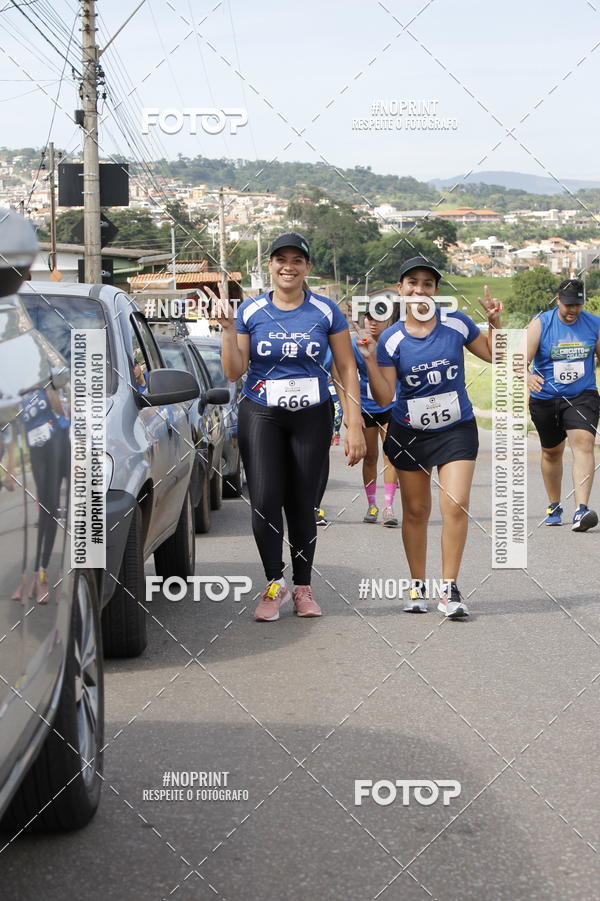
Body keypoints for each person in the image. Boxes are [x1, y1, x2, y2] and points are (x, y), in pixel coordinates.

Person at [218, 232, 366, 621]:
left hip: (312, 414)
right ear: (270, 265)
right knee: (266, 501)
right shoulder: (250, 312)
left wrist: (354, 424)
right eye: (280, 259)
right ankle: (273, 586)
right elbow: (235, 371)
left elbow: (346, 367)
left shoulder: (326, 310)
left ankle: (303, 587)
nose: (288, 266)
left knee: (302, 504)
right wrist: (227, 331)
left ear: (307, 268)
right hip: (262, 413)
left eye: (297, 260)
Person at [358, 255, 502, 618]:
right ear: (400, 289)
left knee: (455, 503)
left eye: (427, 284)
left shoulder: (456, 324)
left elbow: (495, 355)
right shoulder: (391, 339)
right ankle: (417, 586)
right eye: (412, 283)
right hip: (409, 432)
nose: (419, 290)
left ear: (436, 290)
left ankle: (449, 589)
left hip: (456, 428)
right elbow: (385, 398)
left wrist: (494, 323)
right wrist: (371, 360)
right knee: (417, 510)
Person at [527, 277, 600, 531]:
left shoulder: (594, 324)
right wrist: (528, 376)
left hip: (582, 395)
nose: (572, 311)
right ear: (558, 301)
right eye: (568, 305)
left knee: (584, 442)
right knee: (551, 452)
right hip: (546, 397)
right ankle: (554, 505)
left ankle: (581, 510)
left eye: (577, 306)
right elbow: (519, 359)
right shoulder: (541, 323)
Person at [336, 302, 399, 527]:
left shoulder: (394, 342)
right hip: (366, 408)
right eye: (369, 317)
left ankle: (389, 506)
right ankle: (372, 504)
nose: (373, 322)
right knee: (371, 456)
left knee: (392, 456)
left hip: (393, 406)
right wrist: (349, 411)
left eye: (379, 317)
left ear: (388, 320)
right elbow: (341, 376)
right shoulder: (354, 344)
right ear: (363, 320)